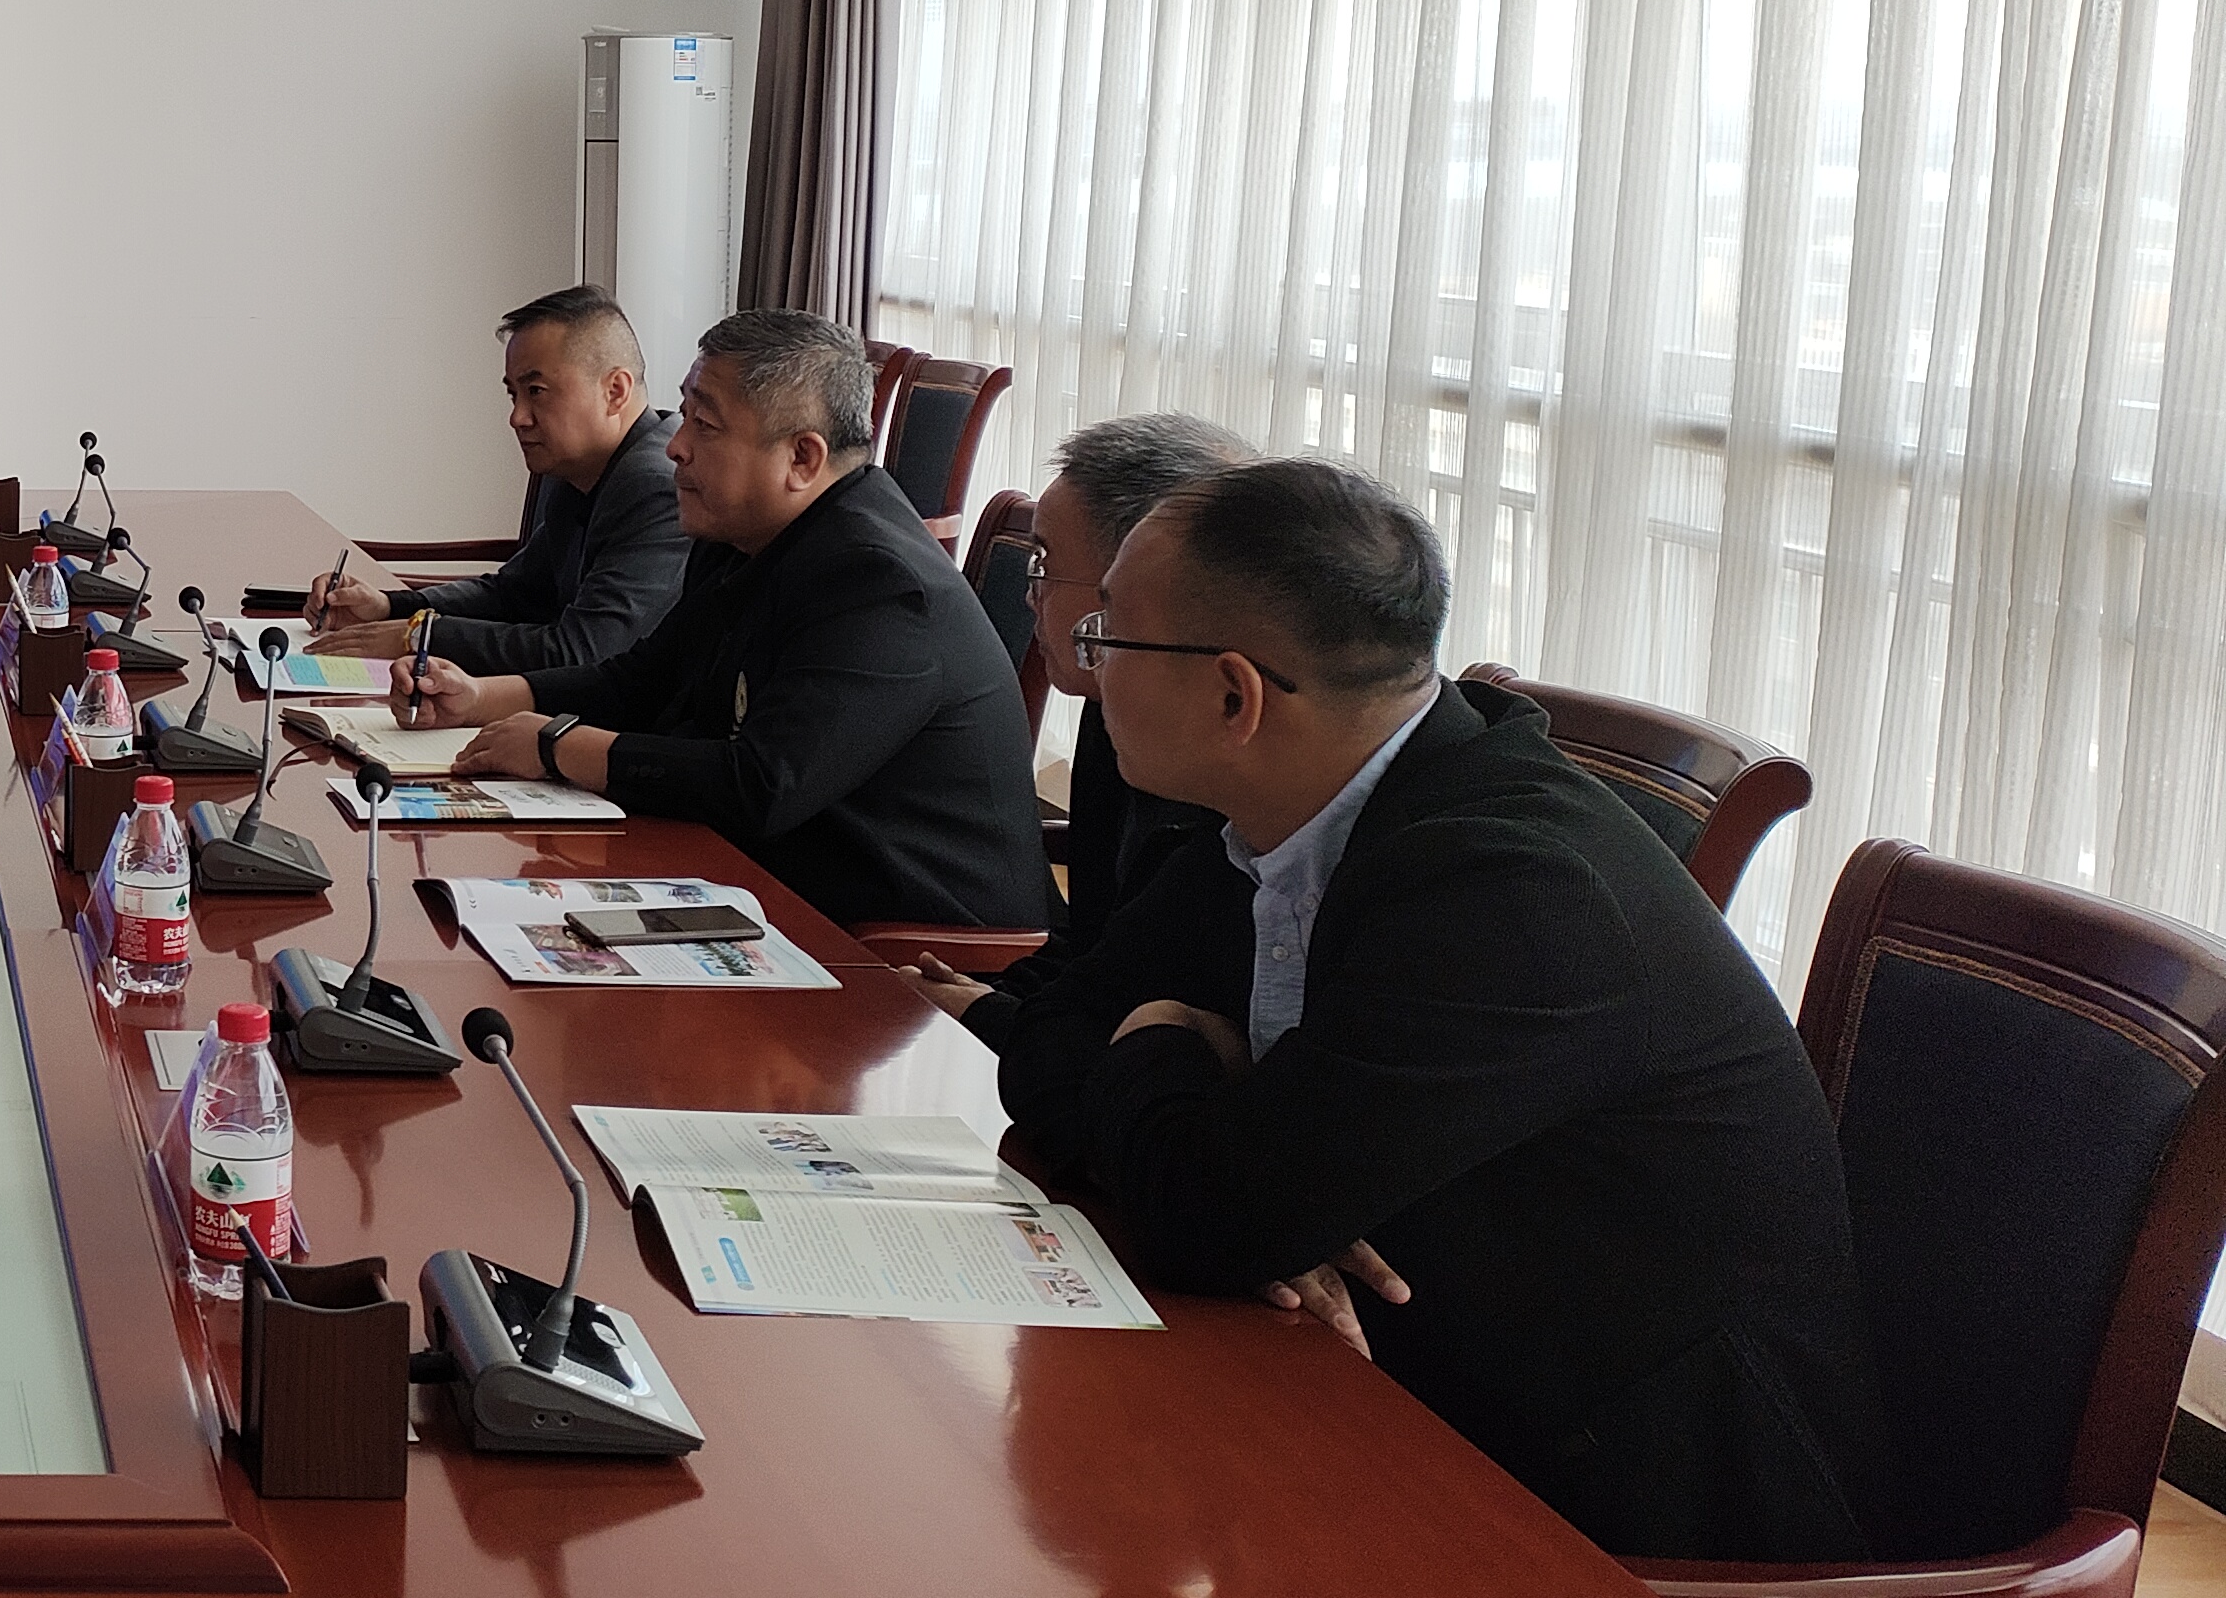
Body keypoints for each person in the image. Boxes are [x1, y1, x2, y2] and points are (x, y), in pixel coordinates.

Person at [993, 456, 1883, 1563]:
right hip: (1397, 1392)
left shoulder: (1511, 891)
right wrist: (1227, 1160)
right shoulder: (1285, 814)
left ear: (1233, 696)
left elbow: (1208, 1213)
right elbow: (1046, 1040)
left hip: (1612, 1512)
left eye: (1107, 640)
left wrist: (1164, 1040)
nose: (1084, 664)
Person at [396, 308, 1043, 930]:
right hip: (766, 882)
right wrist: (479, 698)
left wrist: (556, 746)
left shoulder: (881, 582)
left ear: (802, 458)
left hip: (907, 941)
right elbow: (643, 680)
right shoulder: (741, 535)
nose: (675, 447)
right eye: (684, 415)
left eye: (704, 425)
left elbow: (762, 785)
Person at [910, 411, 1248, 1042]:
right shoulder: (1112, 700)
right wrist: (987, 996)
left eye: (1044, 562)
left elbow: (1145, 1006)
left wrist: (984, 1012)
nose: (1028, 593)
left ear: (1137, 576)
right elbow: (1096, 947)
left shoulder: (1223, 770)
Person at [300, 283, 684, 675]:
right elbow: (513, 594)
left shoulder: (659, 488)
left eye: (536, 391)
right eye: (514, 394)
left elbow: (579, 652)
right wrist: (389, 608)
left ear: (615, 391)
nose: (517, 417)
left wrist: (419, 636)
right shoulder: (579, 469)